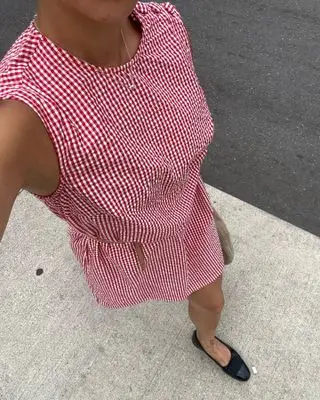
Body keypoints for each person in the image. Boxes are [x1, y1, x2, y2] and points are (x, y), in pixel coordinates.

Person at [0, 0, 250, 381]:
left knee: (212, 301)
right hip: (133, 244)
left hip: (190, 213)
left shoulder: (163, 23)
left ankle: (207, 339)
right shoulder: (19, 119)